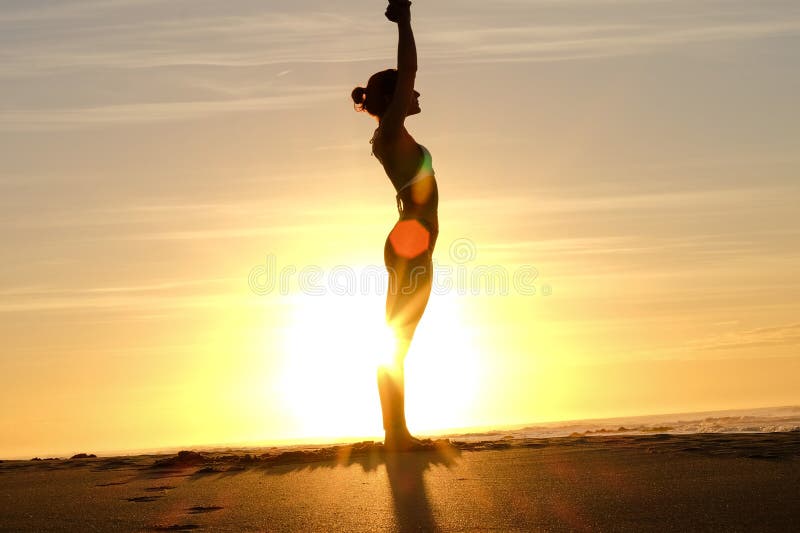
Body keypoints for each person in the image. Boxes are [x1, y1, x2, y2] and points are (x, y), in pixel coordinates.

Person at [351, 0, 438, 451]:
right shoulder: (390, 131)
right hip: (410, 244)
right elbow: (410, 70)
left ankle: (395, 434)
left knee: (397, 339)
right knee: (398, 342)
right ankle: (396, 436)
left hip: (408, 241)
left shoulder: (391, 134)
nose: (418, 95)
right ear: (394, 98)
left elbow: (408, 77)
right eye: (408, 93)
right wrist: (404, 20)